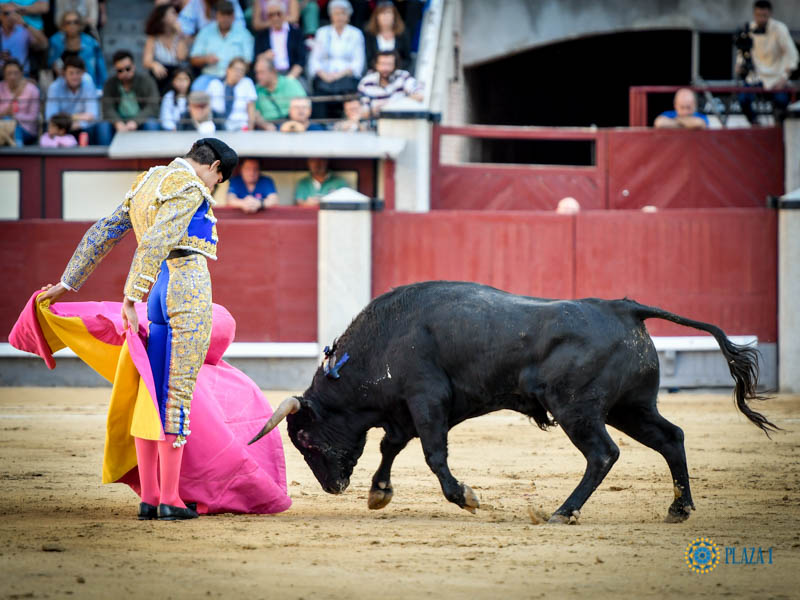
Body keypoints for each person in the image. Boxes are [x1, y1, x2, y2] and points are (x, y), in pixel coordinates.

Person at [38, 138, 240, 521]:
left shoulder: (147, 180)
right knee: (176, 394)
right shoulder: (191, 187)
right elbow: (158, 239)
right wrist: (131, 297)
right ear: (214, 167)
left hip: (161, 290)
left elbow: (104, 231)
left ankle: (150, 496)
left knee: (151, 392)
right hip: (186, 287)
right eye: (219, 179)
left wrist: (67, 282)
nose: (214, 186)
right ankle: (170, 499)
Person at [736, 0, 798, 123]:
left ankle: (778, 127)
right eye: (758, 15)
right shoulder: (749, 29)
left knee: (781, 101)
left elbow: (792, 55)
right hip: (755, 77)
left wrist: (784, 78)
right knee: (743, 99)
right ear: (754, 14)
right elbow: (743, 52)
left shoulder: (779, 29)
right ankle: (755, 124)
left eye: (764, 15)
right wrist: (739, 65)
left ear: (770, 14)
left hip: (776, 77)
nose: (761, 19)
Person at [307, 0, 365, 118]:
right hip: (325, 77)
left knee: (349, 91)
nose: (339, 17)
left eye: (343, 13)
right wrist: (324, 74)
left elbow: (358, 62)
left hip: (346, 76)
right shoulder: (322, 32)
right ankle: (320, 125)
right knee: (319, 92)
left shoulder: (356, 34)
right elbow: (315, 60)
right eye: (336, 13)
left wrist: (338, 75)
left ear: (348, 16)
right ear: (331, 15)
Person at [45, 54, 110, 145]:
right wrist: (70, 123)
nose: (75, 77)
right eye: (71, 73)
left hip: (84, 127)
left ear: (83, 72)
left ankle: (100, 153)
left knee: (103, 126)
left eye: (78, 72)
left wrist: (71, 119)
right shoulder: (55, 87)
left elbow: (92, 114)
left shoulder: (88, 81)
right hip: (62, 129)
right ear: (64, 74)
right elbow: (51, 117)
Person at [189, 0, 254, 91]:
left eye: (229, 15)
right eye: (223, 15)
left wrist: (235, 69)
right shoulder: (205, 32)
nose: (226, 18)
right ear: (216, 16)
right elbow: (193, 59)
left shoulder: (243, 33)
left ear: (233, 16)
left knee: (245, 88)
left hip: (236, 77)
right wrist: (205, 59)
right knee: (197, 88)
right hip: (210, 75)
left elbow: (248, 61)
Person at [102, 49, 161, 136]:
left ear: (134, 66)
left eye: (128, 68)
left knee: (152, 124)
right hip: (119, 121)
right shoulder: (110, 83)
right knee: (103, 126)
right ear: (115, 70)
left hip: (141, 120)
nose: (125, 73)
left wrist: (136, 121)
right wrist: (117, 122)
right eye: (120, 70)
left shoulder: (146, 81)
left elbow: (153, 106)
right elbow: (107, 108)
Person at [47, 11, 106, 87]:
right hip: (62, 84)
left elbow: (100, 68)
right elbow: (50, 63)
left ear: (80, 25)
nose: (72, 25)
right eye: (68, 23)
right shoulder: (55, 41)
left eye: (75, 22)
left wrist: (101, 87)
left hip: (87, 85)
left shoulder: (91, 42)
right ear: (63, 26)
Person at [358, 49, 423, 117]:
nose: (385, 68)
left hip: (400, 119)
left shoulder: (403, 77)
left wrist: (393, 104)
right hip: (376, 120)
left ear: (395, 65)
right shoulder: (366, 82)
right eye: (382, 64)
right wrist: (373, 110)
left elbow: (420, 95)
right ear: (376, 65)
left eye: (389, 64)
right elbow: (363, 111)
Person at [143, 3, 189, 96]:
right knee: (156, 74)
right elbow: (146, 61)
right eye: (172, 13)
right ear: (163, 18)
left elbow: (181, 57)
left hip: (176, 71)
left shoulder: (179, 36)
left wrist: (180, 34)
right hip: (161, 72)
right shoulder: (153, 38)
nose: (176, 16)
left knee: (180, 76)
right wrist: (154, 65)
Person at [253, 0, 306, 79]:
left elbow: (301, 60)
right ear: (267, 17)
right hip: (270, 76)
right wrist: (264, 56)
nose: (275, 18)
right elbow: (256, 59)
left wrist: (289, 79)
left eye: (279, 14)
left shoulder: (295, 33)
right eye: (271, 15)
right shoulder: (262, 36)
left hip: (293, 75)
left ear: (285, 14)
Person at [253, 54, 306, 129]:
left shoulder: (290, 83)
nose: (258, 76)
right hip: (266, 130)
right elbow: (254, 113)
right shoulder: (256, 90)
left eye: (261, 72)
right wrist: (266, 125)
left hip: (291, 126)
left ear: (273, 71)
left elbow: (305, 105)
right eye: (257, 73)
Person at [206, 56, 256, 131]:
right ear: (228, 69)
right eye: (236, 69)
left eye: (242, 71)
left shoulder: (247, 83)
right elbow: (206, 105)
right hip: (218, 125)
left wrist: (250, 129)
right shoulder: (215, 84)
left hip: (240, 126)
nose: (238, 73)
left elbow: (251, 108)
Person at [0, 58, 39, 145]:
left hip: (26, 129)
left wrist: (15, 118)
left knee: (14, 127)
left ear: (21, 73)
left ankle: (17, 150)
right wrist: (7, 112)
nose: (12, 77)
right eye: (9, 73)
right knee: (7, 123)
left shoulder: (32, 90)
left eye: (16, 73)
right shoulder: (0, 87)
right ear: (4, 75)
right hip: (2, 127)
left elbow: (33, 117)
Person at [0, 4, 47, 76]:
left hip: (22, 74)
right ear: (0, 16)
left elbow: (44, 44)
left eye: (15, 12)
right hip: (2, 74)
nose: (11, 16)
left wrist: (25, 24)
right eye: (7, 13)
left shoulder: (24, 31)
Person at [363, 1, 411, 71]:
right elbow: (369, 59)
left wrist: (392, 68)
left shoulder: (403, 33)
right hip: (375, 72)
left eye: (388, 13)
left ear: (394, 16)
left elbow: (407, 59)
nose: (385, 16)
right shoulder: (369, 34)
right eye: (382, 13)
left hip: (398, 71)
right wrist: (382, 69)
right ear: (376, 17)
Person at [178, 0, 245, 37]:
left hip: (229, 41)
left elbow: (240, 27)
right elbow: (184, 26)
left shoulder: (231, 1)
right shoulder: (196, 2)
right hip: (204, 45)